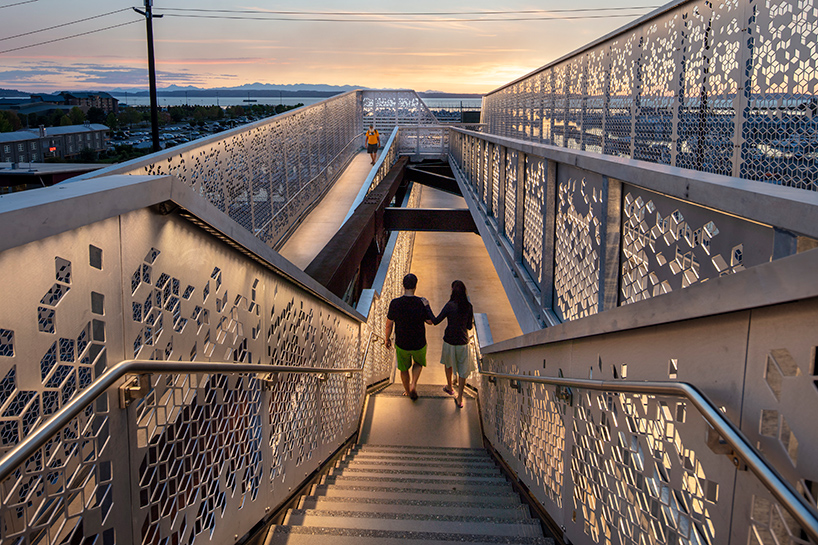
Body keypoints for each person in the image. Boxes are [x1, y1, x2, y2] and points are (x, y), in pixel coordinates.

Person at [385, 273, 434, 400]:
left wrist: (387, 339)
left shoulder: (395, 303)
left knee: (403, 369)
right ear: (415, 286)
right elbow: (430, 321)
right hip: (419, 342)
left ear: (403, 285)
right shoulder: (421, 302)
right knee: (418, 363)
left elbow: (389, 325)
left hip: (402, 342)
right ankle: (413, 384)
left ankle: (407, 390)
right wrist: (427, 306)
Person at [431, 280, 474, 408]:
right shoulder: (468, 306)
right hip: (463, 341)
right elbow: (469, 326)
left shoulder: (450, 305)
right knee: (462, 369)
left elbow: (436, 320)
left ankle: (449, 386)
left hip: (449, 340)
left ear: (452, 291)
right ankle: (460, 398)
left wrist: (427, 307)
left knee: (448, 363)